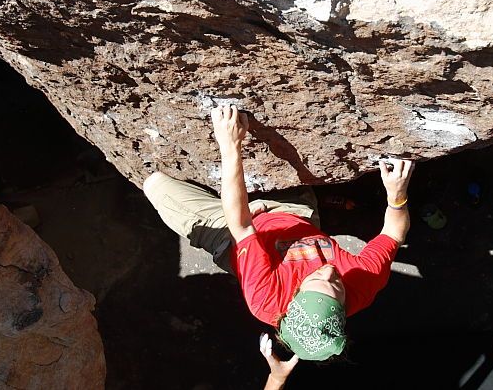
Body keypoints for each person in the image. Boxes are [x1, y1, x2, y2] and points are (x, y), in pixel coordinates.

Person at [142, 104, 414, 365]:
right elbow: (394, 232)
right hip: (295, 214)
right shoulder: (361, 282)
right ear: (343, 309)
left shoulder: (265, 297)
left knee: (155, 185)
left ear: (295, 295)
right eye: (337, 286)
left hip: (230, 234)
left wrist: (230, 145)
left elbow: (241, 226)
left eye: (320, 279)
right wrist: (397, 195)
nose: (330, 271)